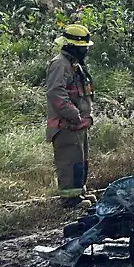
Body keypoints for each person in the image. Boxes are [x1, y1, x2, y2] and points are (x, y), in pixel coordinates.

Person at [46, 24, 95, 206]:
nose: (85, 51)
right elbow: (55, 93)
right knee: (69, 163)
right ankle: (70, 200)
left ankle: (79, 193)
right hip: (66, 126)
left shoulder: (74, 64)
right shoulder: (60, 64)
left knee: (79, 162)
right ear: (72, 46)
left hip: (78, 125)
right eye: (83, 48)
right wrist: (74, 114)